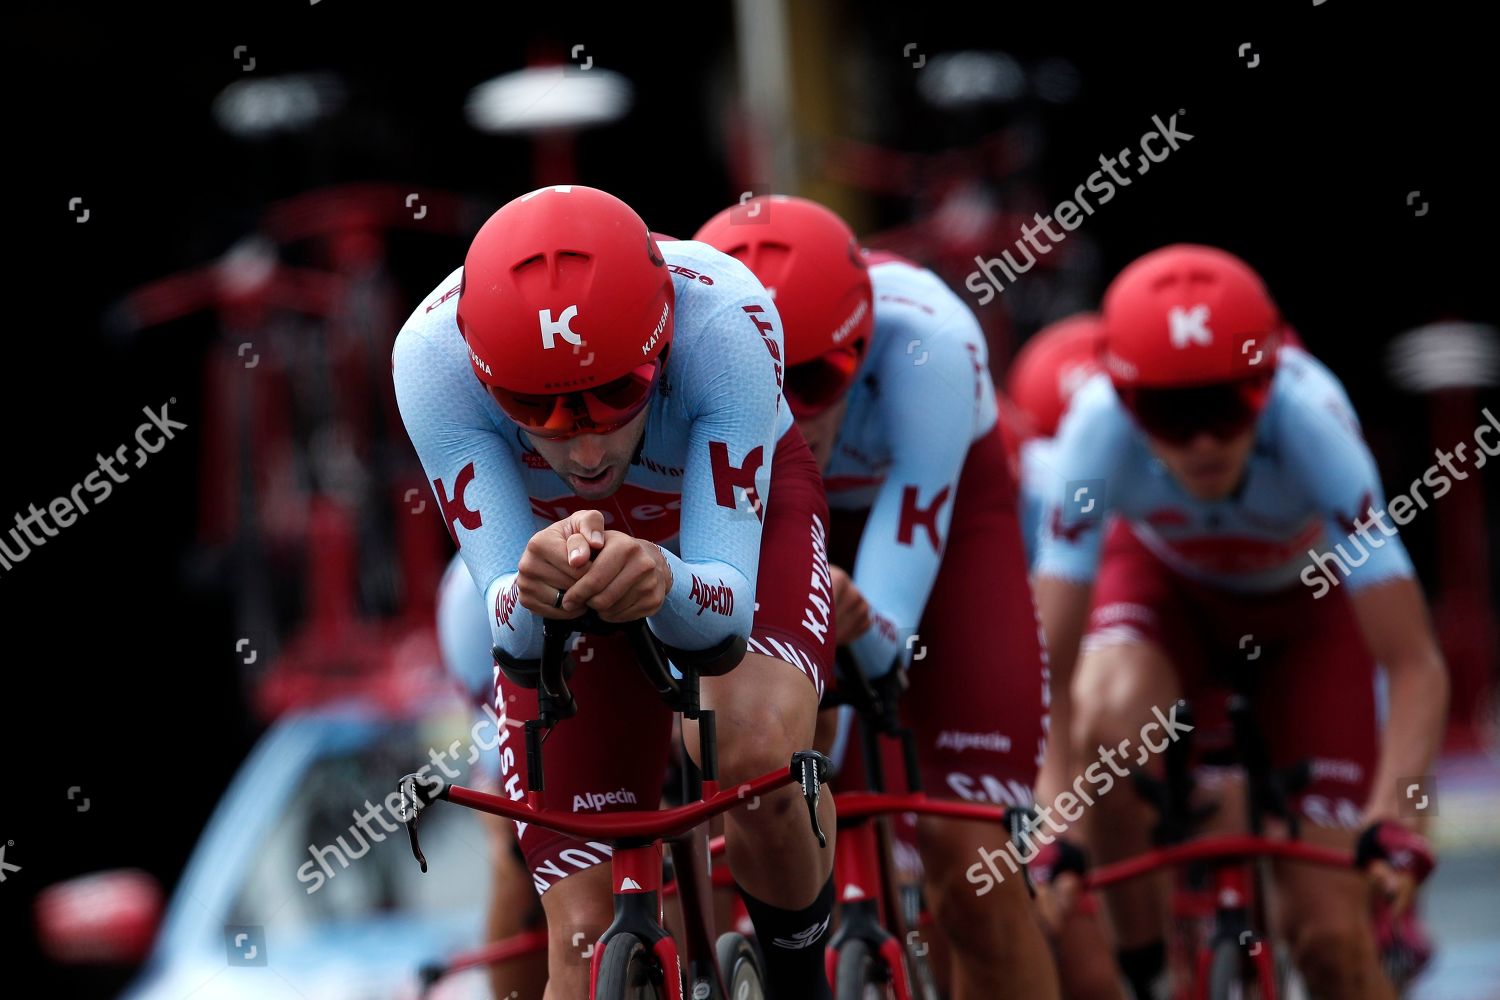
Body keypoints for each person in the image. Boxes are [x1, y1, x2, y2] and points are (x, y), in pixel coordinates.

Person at [394, 185, 838, 999]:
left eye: (616, 394)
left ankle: (802, 982)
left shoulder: (727, 322)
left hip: (726, 543)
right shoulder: (429, 361)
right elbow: (515, 642)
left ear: (662, 345)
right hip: (570, 560)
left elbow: (724, 621)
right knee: (580, 935)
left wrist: (665, 578)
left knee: (751, 758)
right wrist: (526, 594)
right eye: (538, 408)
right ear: (484, 376)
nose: (589, 446)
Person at [1031, 244, 1446, 999]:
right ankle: (1146, 964)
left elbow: (1414, 662)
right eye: (1170, 411)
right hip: (1166, 596)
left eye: (1226, 406)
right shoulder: (1093, 431)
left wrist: (1399, 812)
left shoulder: (1314, 418)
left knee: (1329, 942)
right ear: (1124, 399)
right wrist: (1055, 824)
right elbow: (1047, 664)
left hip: (1305, 618)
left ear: (1269, 380)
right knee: (1109, 719)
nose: (1202, 442)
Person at [695, 195, 1060, 998]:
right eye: (761, 378)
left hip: (944, 530)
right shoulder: (686, 335)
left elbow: (884, 637)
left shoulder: (931, 339)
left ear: (862, 346)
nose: (786, 412)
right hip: (772, 523)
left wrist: (854, 639)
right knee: (746, 818)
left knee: (973, 876)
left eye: (814, 381)